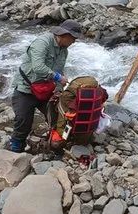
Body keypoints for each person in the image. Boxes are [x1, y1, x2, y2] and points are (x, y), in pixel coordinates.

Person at [8, 19, 83, 153]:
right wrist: (58, 78)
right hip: (26, 88)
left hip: (46, 89)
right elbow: (38, 67)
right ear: (64, 35)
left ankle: (53, 143)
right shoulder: (42, 43)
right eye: (73, 38)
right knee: (23, 120)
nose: (74, 42)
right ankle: (16, 148)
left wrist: (59, 90)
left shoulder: (64, 51)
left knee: (57, 117)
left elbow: (60, 70)